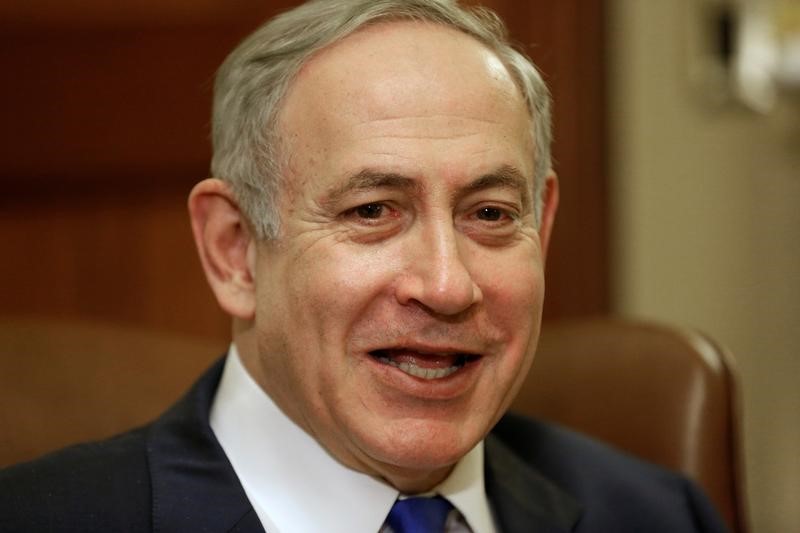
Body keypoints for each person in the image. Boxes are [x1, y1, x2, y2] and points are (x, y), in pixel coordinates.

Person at [0, 1, 729, 532]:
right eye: (373, 211)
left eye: (490, 214)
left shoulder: (658, 514)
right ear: (235, 249)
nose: (447, 284)